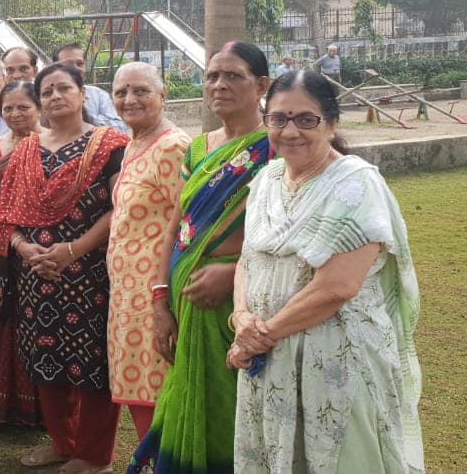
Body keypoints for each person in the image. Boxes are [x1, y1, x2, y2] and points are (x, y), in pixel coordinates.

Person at [229, 70, 424, 472]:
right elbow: (248, 260)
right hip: (270, 358)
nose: (290, 131)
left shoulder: (355, 185)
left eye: (306, 119)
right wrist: (241, 317)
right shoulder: (265, 180)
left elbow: (337, 287)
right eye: (279, 118)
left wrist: (256, 338)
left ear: (332, 124)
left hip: (335, 359)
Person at [129, 41, 275, 473]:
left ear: (261, 85)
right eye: (212, 75)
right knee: (184, 394)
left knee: (231, 404)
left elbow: (285, 241)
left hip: (237, 306)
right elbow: (174, 229)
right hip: (183, 304)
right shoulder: (198, 149)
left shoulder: (275, 148)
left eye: (234, 76)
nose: (219, 84)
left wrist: (231, 275)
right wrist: (159, 302)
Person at [0, 63, 129, 473]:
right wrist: (24, 249)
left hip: (90, 275)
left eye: (63, 88)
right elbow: (6, 213)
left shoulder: (110, 145)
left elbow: (119, 208)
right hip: (36, 276)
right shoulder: (28, 149)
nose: (55, 97)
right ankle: (62, 442)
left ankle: (94, 456)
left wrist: (73, 250)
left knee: (92, 365)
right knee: (46, 359)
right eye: (47, 91)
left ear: (83, 94)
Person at [106, 62, 189, 440]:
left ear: (163, 96)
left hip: (156, 297)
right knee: (139, 391)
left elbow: (188, 231)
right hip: (127, 295)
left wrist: (164, 301)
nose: (129, 99)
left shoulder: (173, 147)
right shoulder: (134, 144)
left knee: (159, 397)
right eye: (121, 92)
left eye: (141, 90)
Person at [0, 80, 43, 428]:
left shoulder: (49, 144)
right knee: (4, 320)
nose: (16, 114)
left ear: (38, 107)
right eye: (9, 108)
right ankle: (7, 407)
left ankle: (43, 410)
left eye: (24, 107)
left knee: (36, 322)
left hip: (37, 247)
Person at [53, 44, 130, 133]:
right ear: (55, 68)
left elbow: (120, 128)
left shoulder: (99, 95)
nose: (75, 68)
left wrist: (86, 116)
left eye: (80, 63)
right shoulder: (48, 98)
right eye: (68, 64)